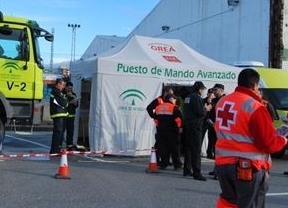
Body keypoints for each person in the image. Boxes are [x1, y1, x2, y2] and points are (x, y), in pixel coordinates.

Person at [214, 68, 287, 208]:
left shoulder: (222, 102)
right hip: (247, 167)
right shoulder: (255, 107)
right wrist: (283, 139)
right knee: (251, 203)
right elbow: (268, 143)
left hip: (223, 164)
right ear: (255, 85)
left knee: (228, 203)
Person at [182, 81, 212, 181]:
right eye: (202, 89)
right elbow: (200, 112)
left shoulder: (188, 97)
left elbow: (190, 109)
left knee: (189, 149)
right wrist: (206, 108)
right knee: (196, 150)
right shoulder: (196, 98)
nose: (203, 91)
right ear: (199, 89)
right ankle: (197, 173)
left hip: (187, 125)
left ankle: (187, 170)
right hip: (195, 126)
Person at [155, 93, 183, 170]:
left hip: (161, 131)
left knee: (163, 148)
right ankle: (177, 165)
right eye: (174, 99)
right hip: (172, 131)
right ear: (171, 99)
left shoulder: (158, 107)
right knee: (174, 148)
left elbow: (156, 119)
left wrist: (158, 127)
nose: (175, 100)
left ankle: (164, 164)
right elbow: (179, 119)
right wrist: (180, 127)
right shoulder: (174, 107)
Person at [146, 86, 174, 164]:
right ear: (166, 92)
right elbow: (149, 108)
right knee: (159, 142)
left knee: (166, 143)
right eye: (170, 94)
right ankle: (157, 159)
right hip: (160, 124)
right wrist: (154, 116)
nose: (172, 96)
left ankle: (165, 160)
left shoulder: (170, 100)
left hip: (169, 124)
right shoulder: (159, 100)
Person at [49, 78, 69, 154]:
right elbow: (64, 103)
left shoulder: (59, 92)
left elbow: (64, 101)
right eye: (62, 85)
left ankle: (57, 149)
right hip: (58, 114)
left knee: (60, 133)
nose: (63, 87)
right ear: (58, 84)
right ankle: (54, 150)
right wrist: (66, 102)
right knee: (58, 132)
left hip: (61, 114)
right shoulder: (56, 92)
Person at [63, 81, 79, 151]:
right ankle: (60, 145)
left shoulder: (74, 94)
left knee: (70, 131)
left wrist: (74, 100)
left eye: (71, 88)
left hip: (71, 116)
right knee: (61, 131)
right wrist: (67, 96)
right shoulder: (62, 94)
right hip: (63, 116)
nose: (70, 90)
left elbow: (76, 105)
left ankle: (69, 145)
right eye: (69, 88)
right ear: (66, 87)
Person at [201, 88, 215, 154]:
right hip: (204, 120)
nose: (210, 95)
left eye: (211, 94)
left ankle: (210, 151)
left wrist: (211, 103)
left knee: (211, 138)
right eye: (209, 93)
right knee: (201, 135)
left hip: (212, 121)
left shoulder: (215, 101)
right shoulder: (203, 100)